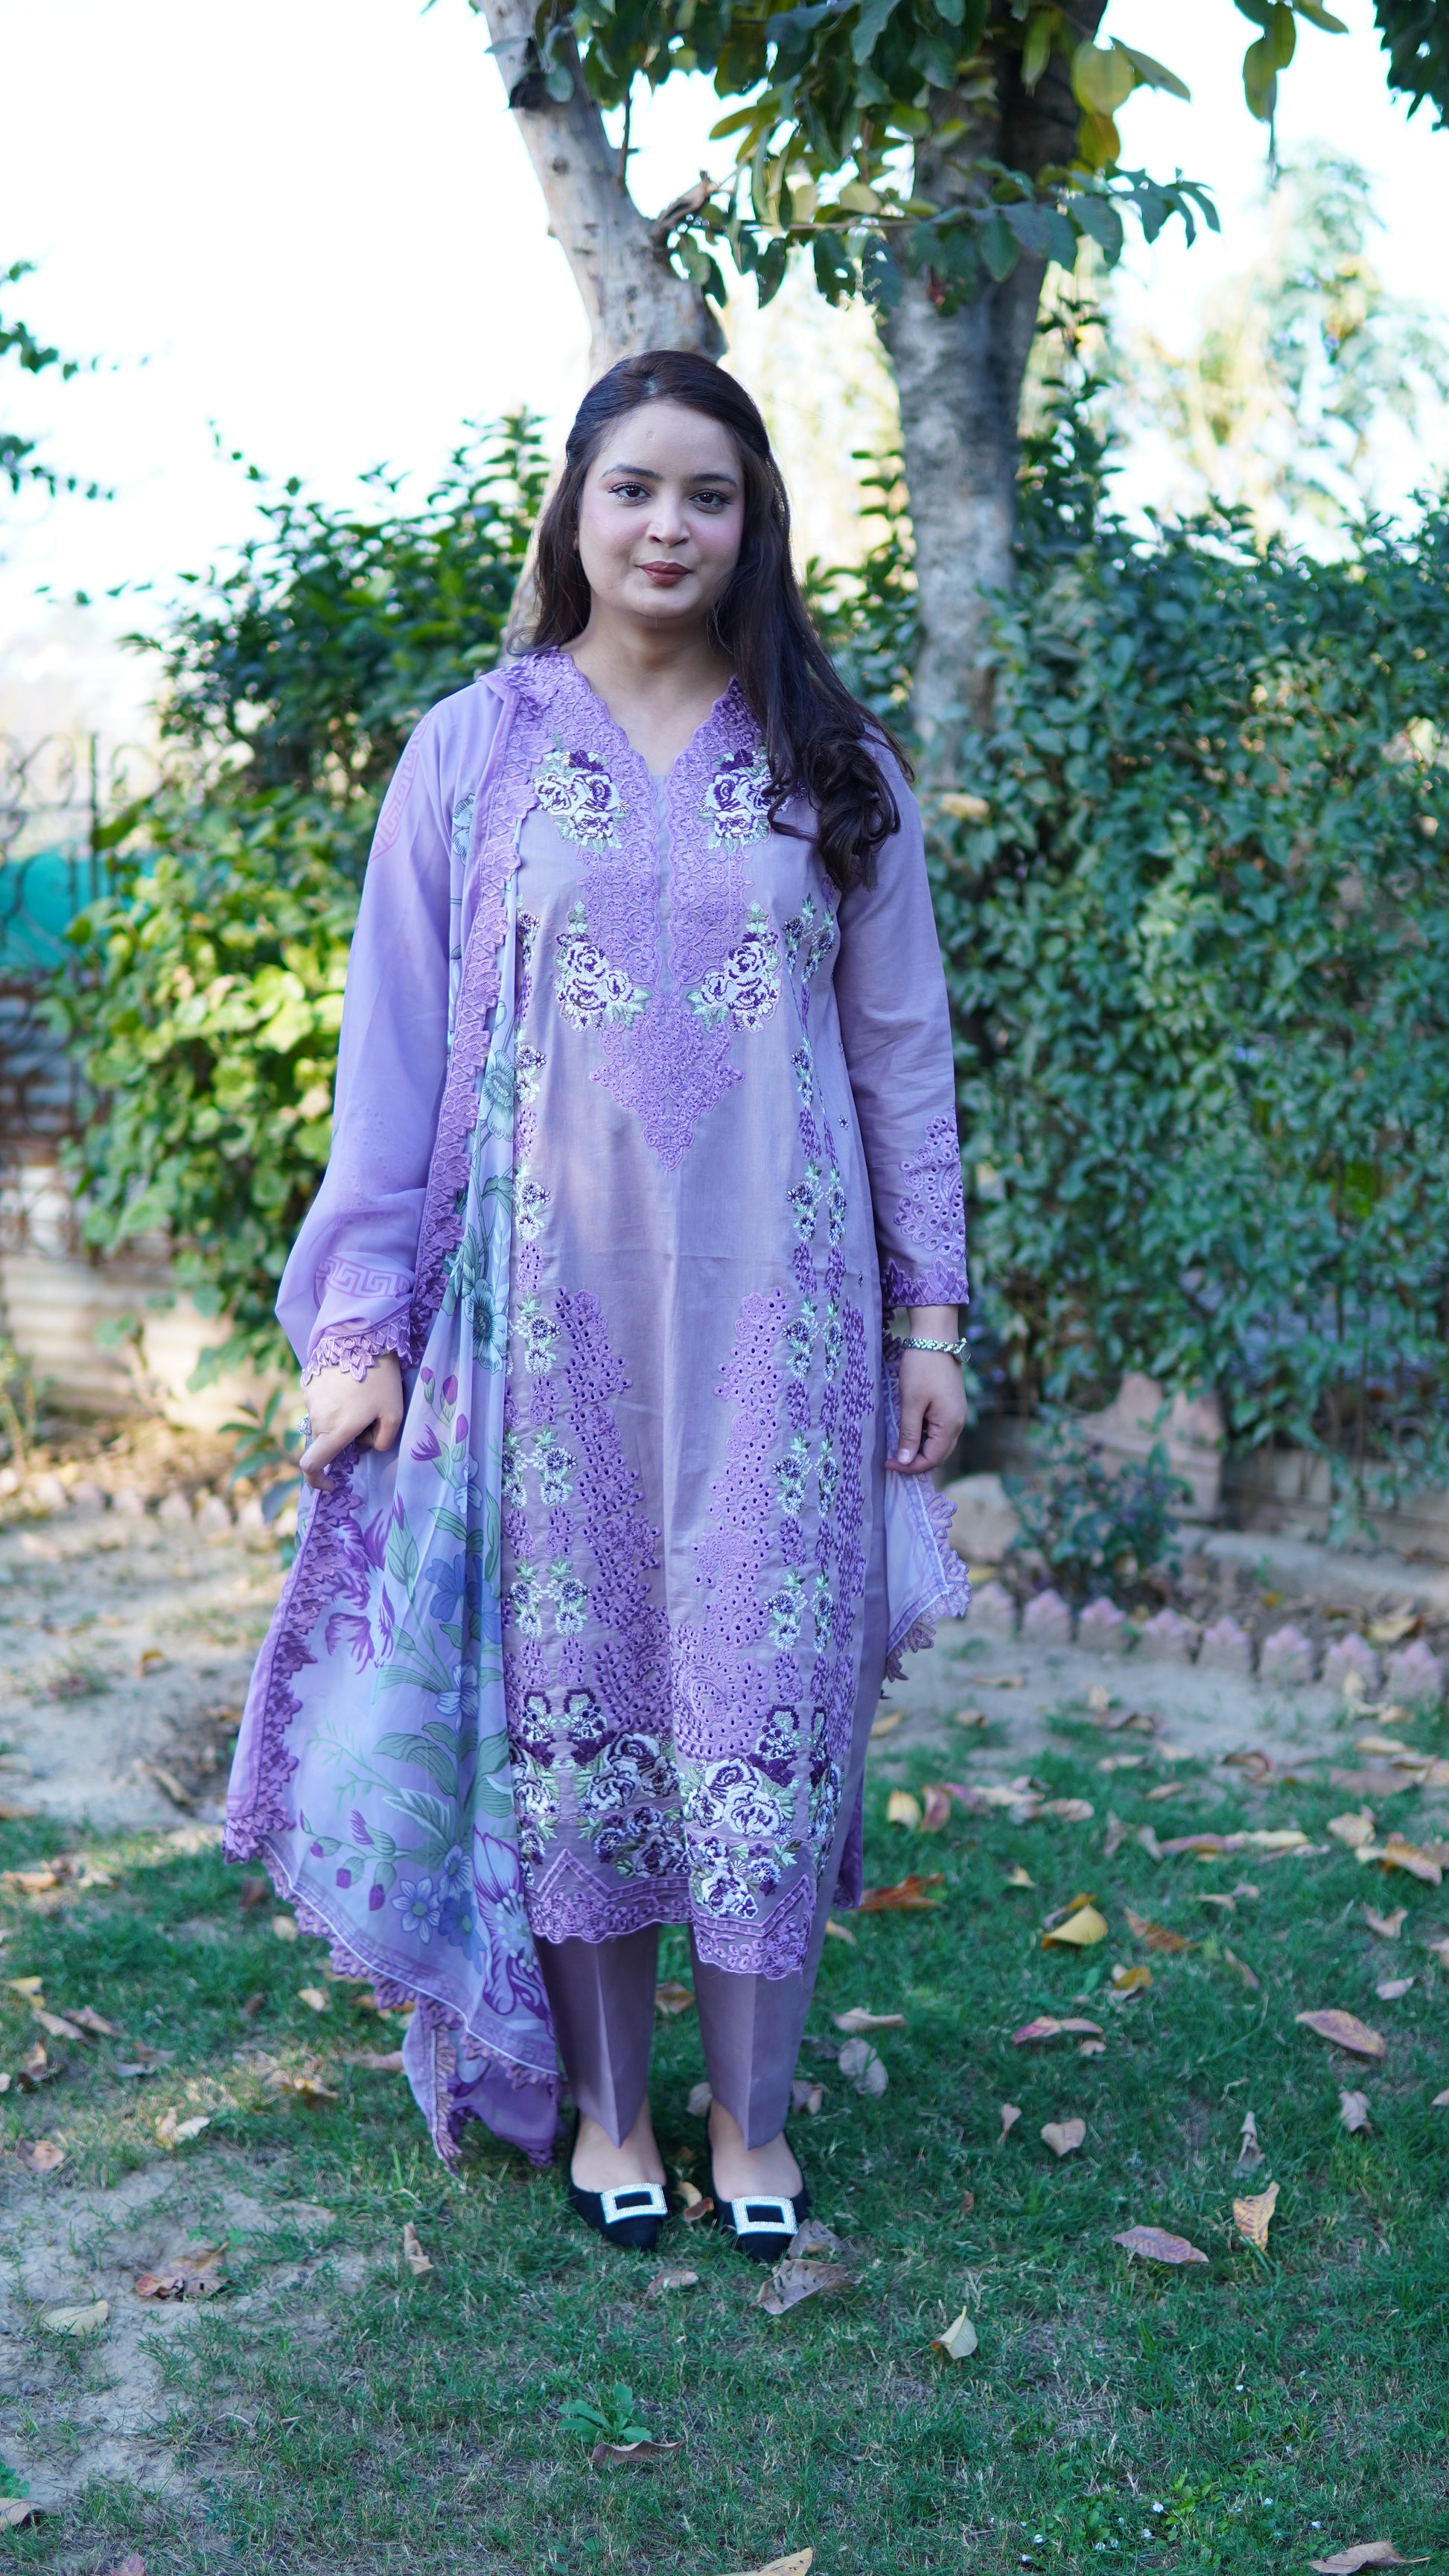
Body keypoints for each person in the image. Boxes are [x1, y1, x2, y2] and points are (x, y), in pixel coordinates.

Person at [226, 350, 969, 2257]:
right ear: (573, 506)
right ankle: (611, 2107)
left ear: (753, 523)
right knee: (580, 1699)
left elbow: (901, 1058)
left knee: (762, 1696)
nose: (667, 526)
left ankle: (753, 2117)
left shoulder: (831, 763)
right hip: (537, 1324)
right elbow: (391, 1059)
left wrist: (930, 1319)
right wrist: (360, 1332)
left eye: (708, 494)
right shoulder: (472, 751)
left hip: (784, 1325)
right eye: (634, 487)